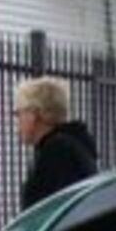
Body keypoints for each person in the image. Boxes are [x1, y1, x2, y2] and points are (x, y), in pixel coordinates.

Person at [15, 77, 98, 212]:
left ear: (34, 114)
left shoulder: (58, 150)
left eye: (18, 113)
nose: (17, 121)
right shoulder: (70, 144)